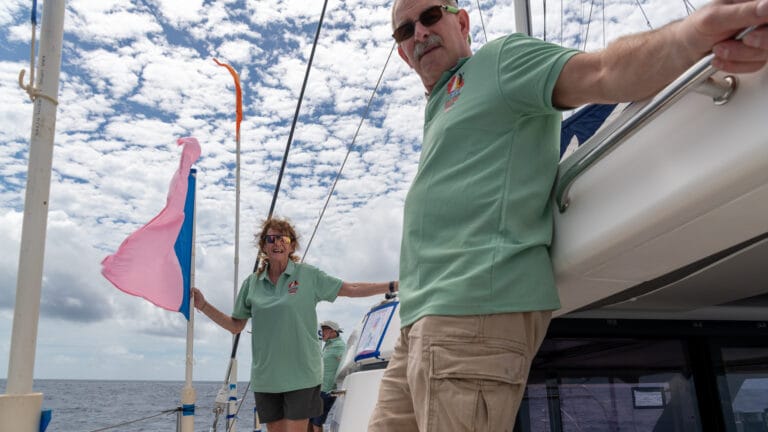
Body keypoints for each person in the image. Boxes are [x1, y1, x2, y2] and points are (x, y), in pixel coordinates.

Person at [369, 0, 768, 431]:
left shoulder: (501, 61)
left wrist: (690, 37)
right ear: (401, 52)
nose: (419, 33)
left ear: (461, 21)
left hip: (470, 312)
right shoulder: (441, 103)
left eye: (430, 16)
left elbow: (602, 72)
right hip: (416, 322)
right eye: (405, 31)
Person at [193, 217, 397, 432]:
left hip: (302, 375)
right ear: (263, 245)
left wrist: (394, 285)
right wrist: (204, 305)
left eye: (283, 238)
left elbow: (351, 288)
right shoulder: (251, 283)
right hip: (267, 378)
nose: (277, 243)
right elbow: (236, 326)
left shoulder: (308, 275)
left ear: (291, 245)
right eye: (270, 238)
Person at [309, 320, 346, 432]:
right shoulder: (327, 345)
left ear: (331, 331)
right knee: (309, 421)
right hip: (318, 389)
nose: (321, 333)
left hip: (328, 390)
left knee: (317, 422)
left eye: (323, 330)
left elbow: (344, 362)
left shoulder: (340, 345)